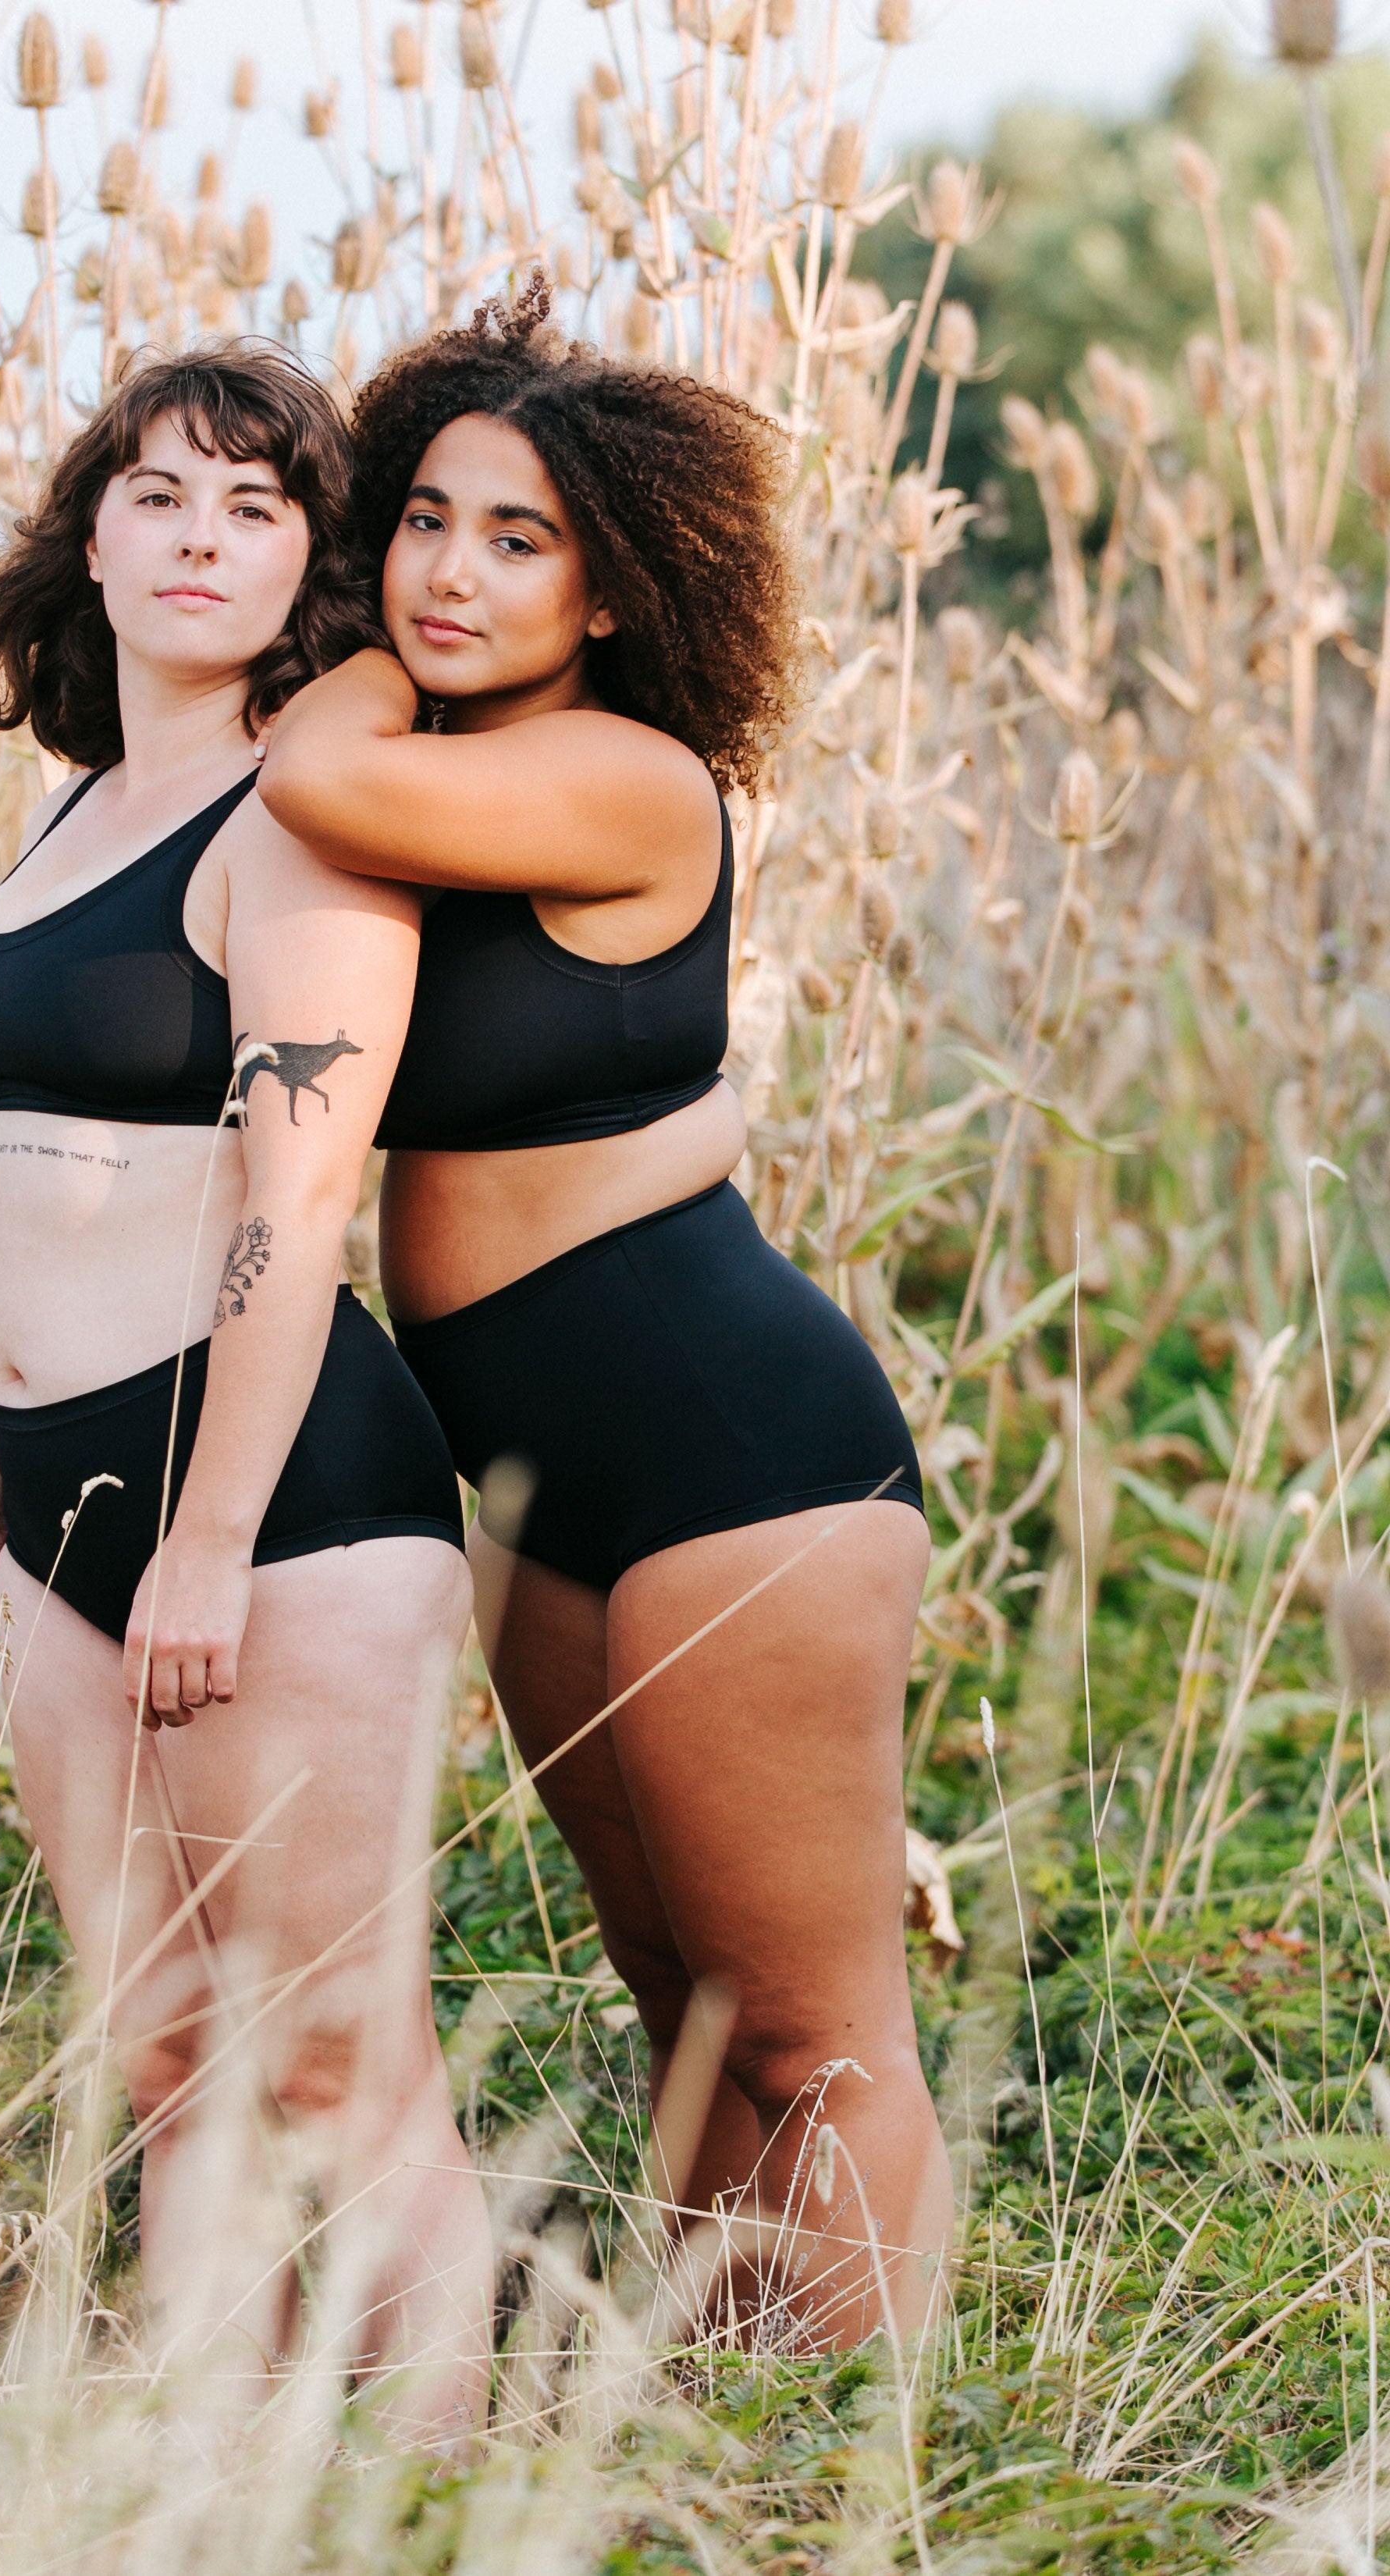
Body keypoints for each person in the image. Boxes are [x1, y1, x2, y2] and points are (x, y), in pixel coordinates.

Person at [258, 286, 949, 2349]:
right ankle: (712, 2415)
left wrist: (361, 643)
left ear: (616, 594)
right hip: (543, 1475)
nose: (452, 573)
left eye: (517, 538)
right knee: (688, 2001)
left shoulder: (620, 777)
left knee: (819, 2031)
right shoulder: (450, 768)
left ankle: (871, 2477)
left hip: (740, 1456)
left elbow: (303, 767)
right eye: (427, 520)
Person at [0, 347, 489, 2439]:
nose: (200, 537)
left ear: (306, 569)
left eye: (255, 509)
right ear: (98, 533)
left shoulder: (303, 820)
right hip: (62, 1508)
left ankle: (427, 2505)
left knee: (339, 2066)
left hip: (281, 1507)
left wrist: (213, 1535)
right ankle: (200, 2499)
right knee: (162, 2055)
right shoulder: (73, 812)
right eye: (161, 495)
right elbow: (27, 1196)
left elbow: (290, 1193)